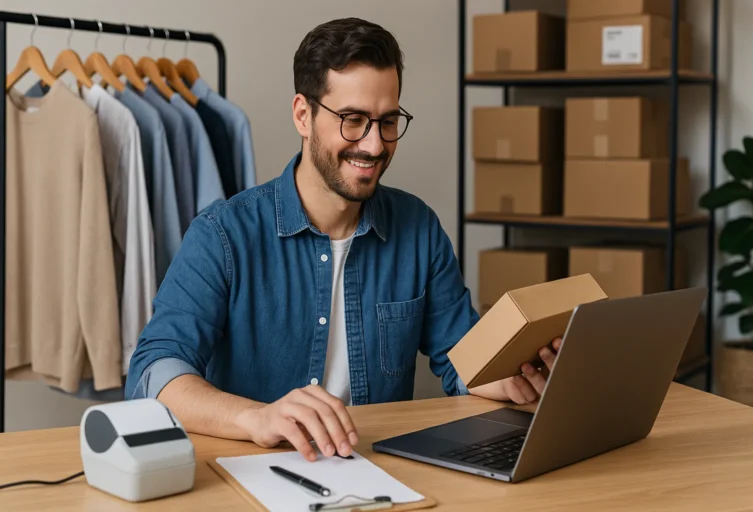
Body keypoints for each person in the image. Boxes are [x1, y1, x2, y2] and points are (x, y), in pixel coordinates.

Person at [125, 17, 562, 462]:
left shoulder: (418, 228)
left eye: (387, 121)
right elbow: (154, 373)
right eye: (353, 120)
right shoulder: (223, 234)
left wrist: (512, 374)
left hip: (382, 472)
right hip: (256, 476)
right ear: (302, 114)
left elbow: (462, 358)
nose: (373, 145)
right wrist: (256, 418)